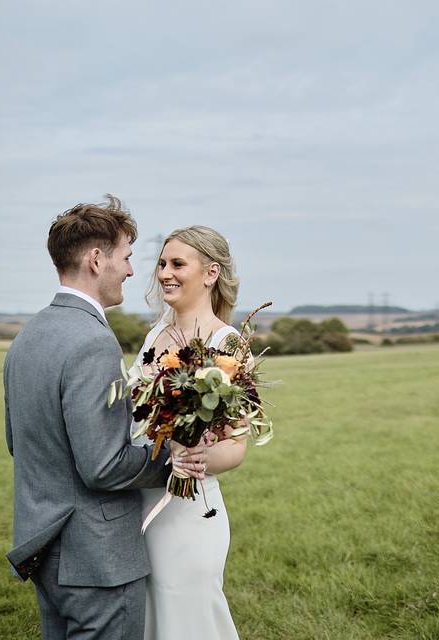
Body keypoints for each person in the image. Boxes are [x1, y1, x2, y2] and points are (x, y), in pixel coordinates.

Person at [4, 195, 208, 640]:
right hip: (97, 561)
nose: (133, 270)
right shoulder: (91, 341)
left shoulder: (29, 335)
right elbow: (103, 465)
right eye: (126, 257)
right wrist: (172, 461)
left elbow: (17, 441)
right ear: (97, 260)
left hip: (46, 545)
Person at [135, 225, 248, 640]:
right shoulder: (155, 334)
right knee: (150, 615)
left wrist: (195, 460)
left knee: (188, 615)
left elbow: (235, 446)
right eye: (162, 263)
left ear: (211, 273)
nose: (165, 272)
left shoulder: (228, 343)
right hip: (142, 498)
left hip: (191, 508)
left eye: (178, 263)